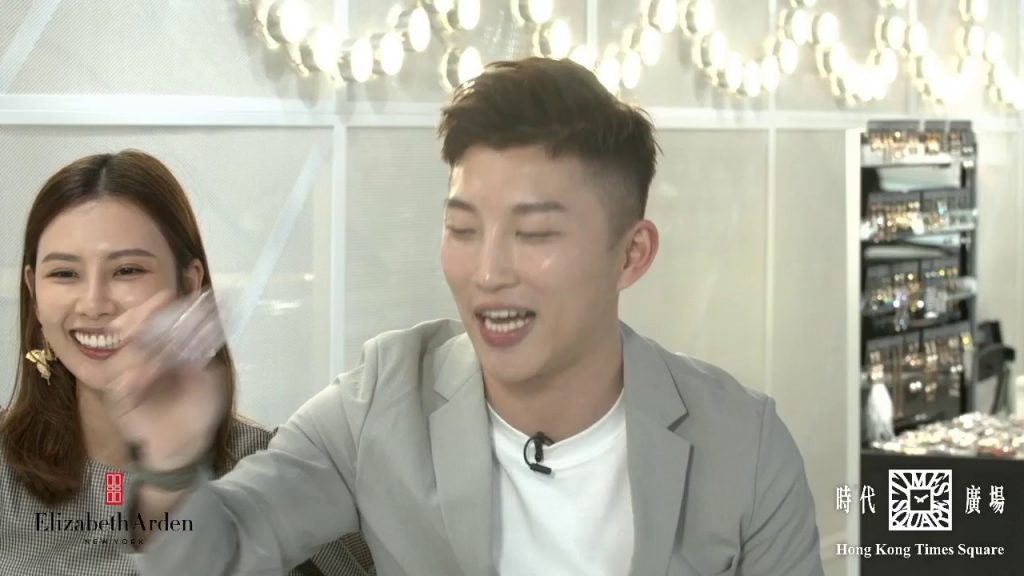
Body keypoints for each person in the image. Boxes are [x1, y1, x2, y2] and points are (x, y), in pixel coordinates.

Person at [116, 58, 824, 575]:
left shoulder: (745, 445)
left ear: (630, 255)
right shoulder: (381, 401)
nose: (487, 272)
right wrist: (169, 464)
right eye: (462, 228)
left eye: (535, 233)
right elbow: (210, 555)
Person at [0, 150, 373, 576]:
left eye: (127, 270)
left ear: (189, 283)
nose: (94, 303)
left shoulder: (275, 470)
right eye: (65, 274)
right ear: (33, 290)